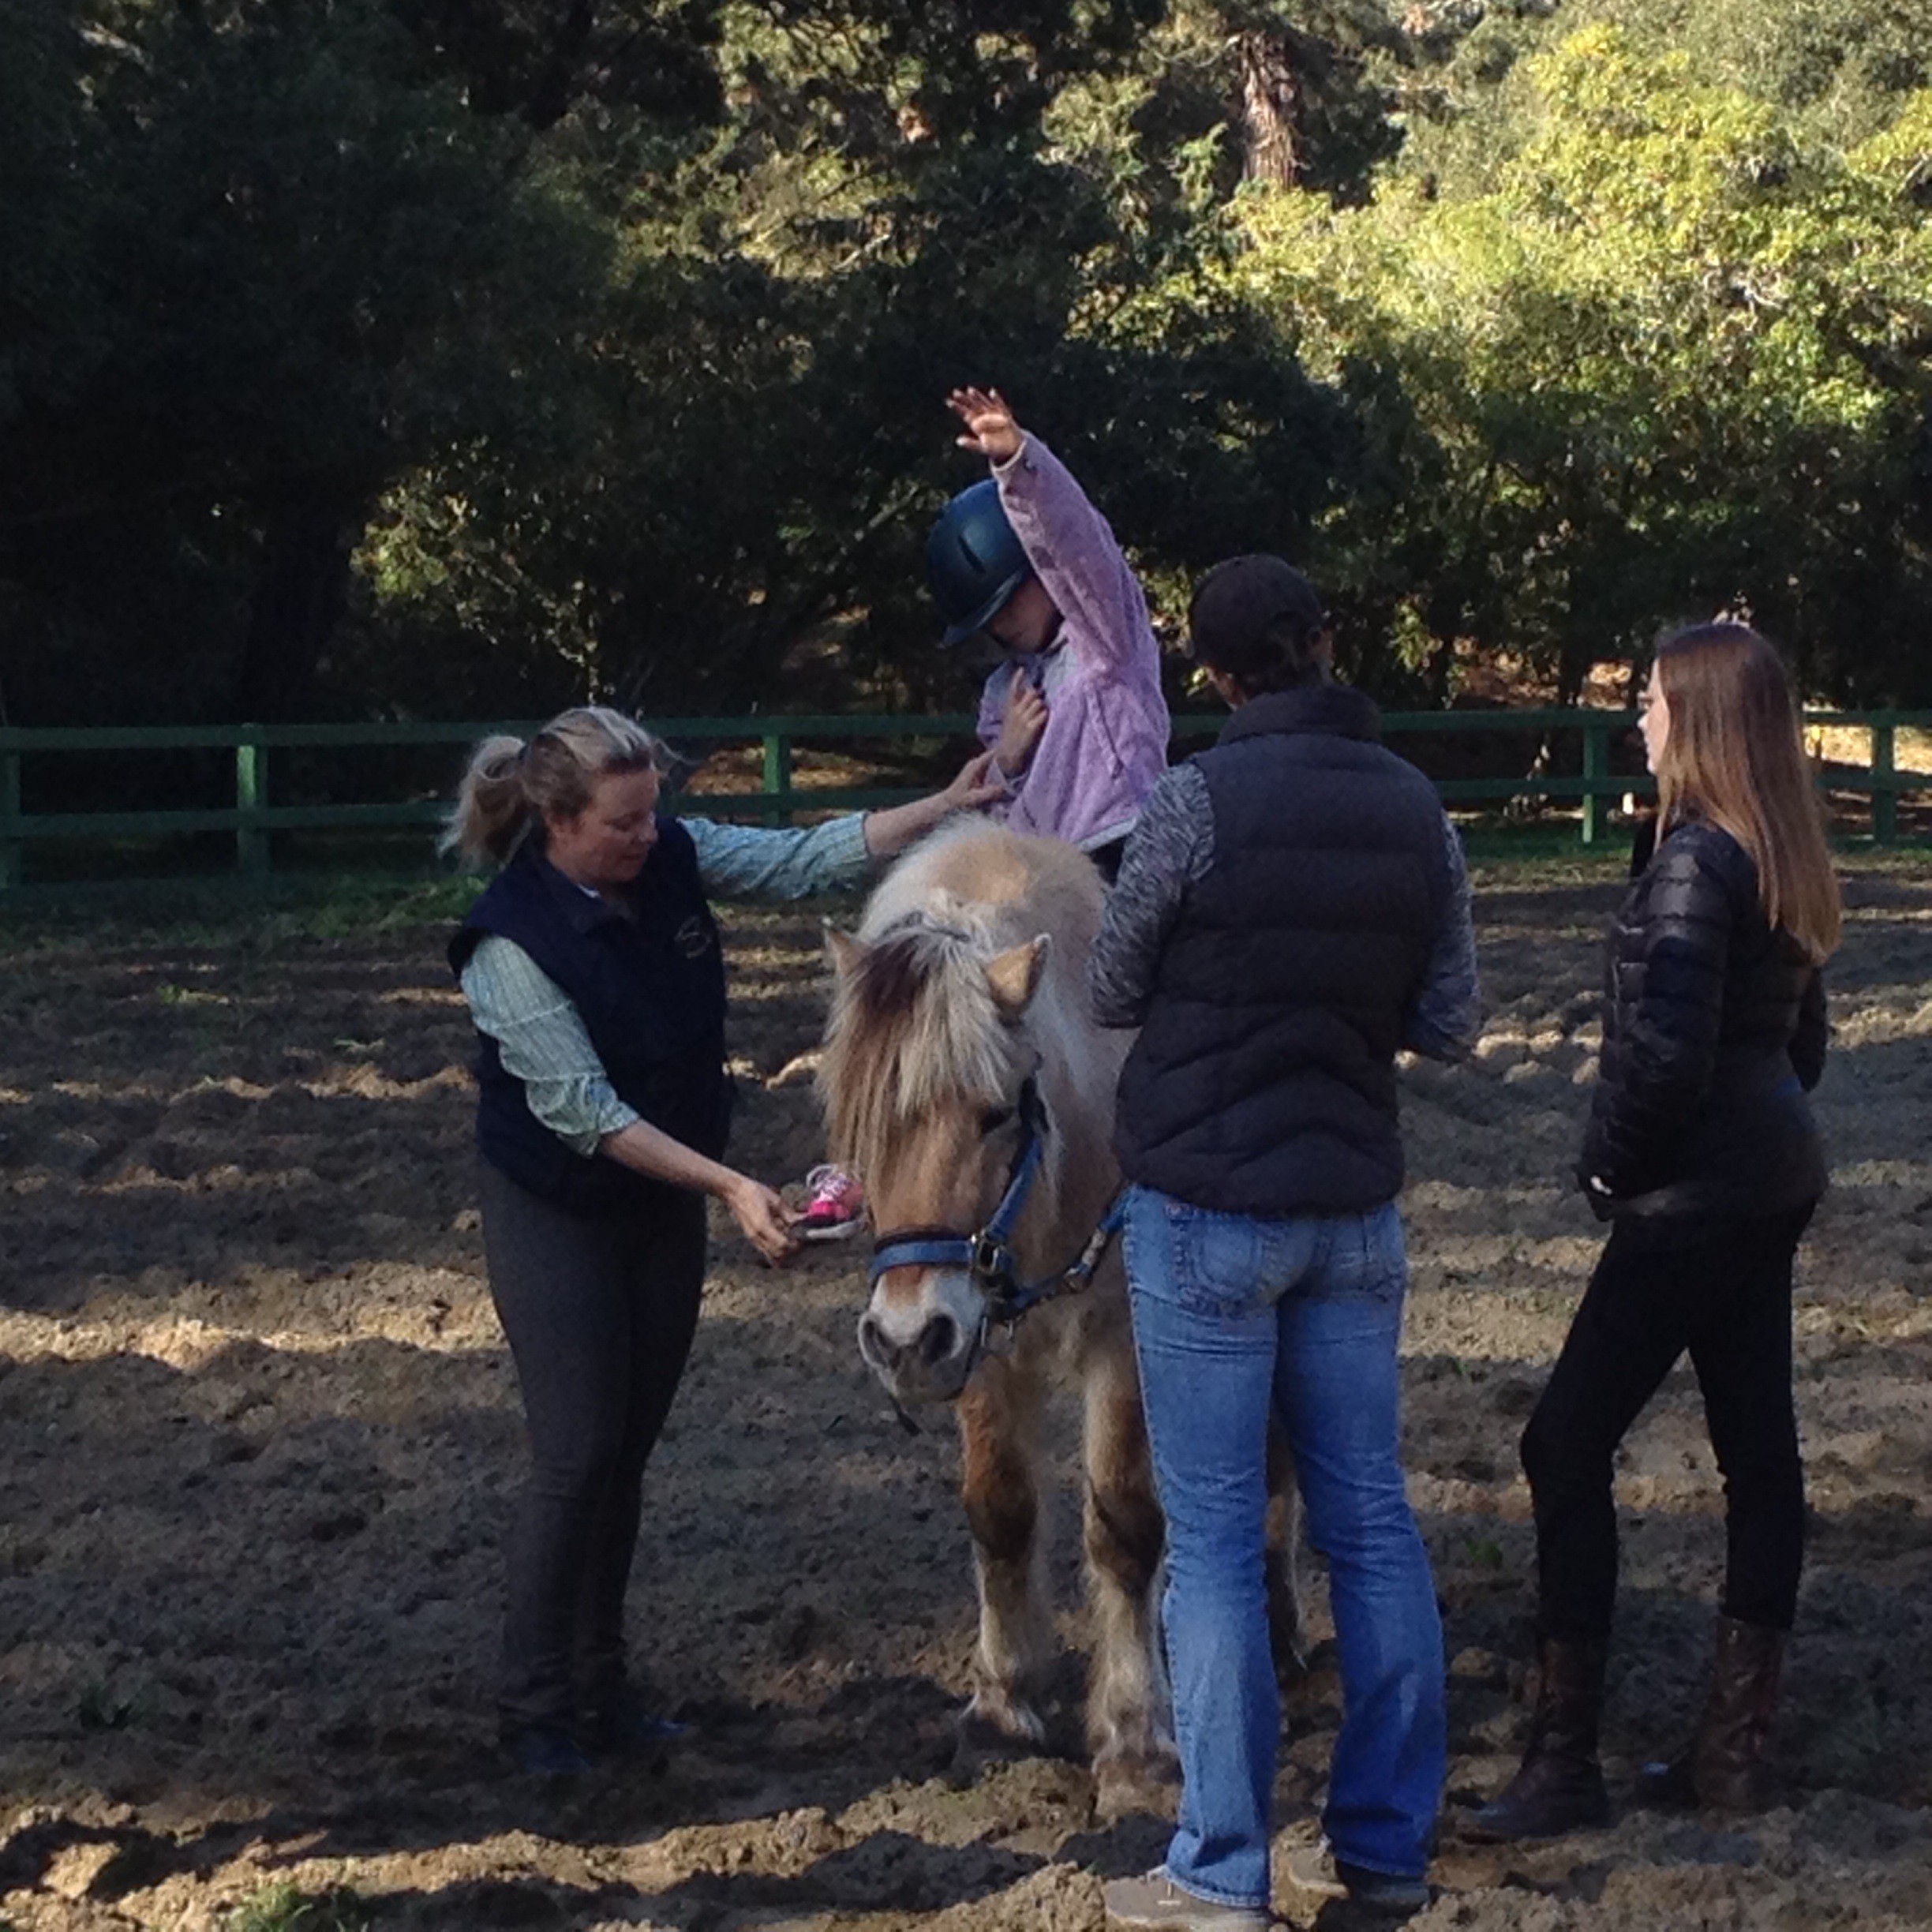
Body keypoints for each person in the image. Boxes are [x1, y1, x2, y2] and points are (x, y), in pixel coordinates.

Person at [444, 706, 1001, 1776]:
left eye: (652, 813)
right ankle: (534, 1708)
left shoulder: (668, 854)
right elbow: (586, 1113)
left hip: (657, 1205)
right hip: (558, 1205)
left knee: (627, 1451)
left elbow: (803, 860)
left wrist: (944, 805)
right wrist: (732, 1186)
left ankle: (602, 1688)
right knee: (576, 1452)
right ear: (559, 823)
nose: (647, 836)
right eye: (623, 822)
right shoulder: (507, 945)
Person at [1089, 557, 1481, 1930]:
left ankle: (1219, 1870)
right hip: (1353, 1208)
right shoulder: (1416, 806)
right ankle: (1384, 1849)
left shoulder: (1192, 801)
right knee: (1369, 1524)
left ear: (1211, 674)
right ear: (1325, 643)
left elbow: (1111, 982)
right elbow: (1450, 1020)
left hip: (1205, 1208)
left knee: (1207, 1545)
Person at [1470, 623, 1840, 1840]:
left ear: (1702, 720)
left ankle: (1564, 1759)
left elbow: (1665, 1060)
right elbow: (1802, 1046)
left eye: (1654, 700)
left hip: (1692, 1201)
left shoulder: (1695, 861)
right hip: (1771, 1178)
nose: (1639, 716)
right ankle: (1734, 1758)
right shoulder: (1776, 852)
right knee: (1760, 1459)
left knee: (1562, 1447)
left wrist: (1610, 1168)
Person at [925, 386, 1170, 882]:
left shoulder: (1104, 638)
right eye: (988, 618)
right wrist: (1007, 757)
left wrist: (1019, 466)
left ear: (1040, 570)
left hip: (1124, 845)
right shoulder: (1003, 691)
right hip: (1042, 873)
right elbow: (992, 809)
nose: (1002, 624)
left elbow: (1078, 542)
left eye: (1010, 599)